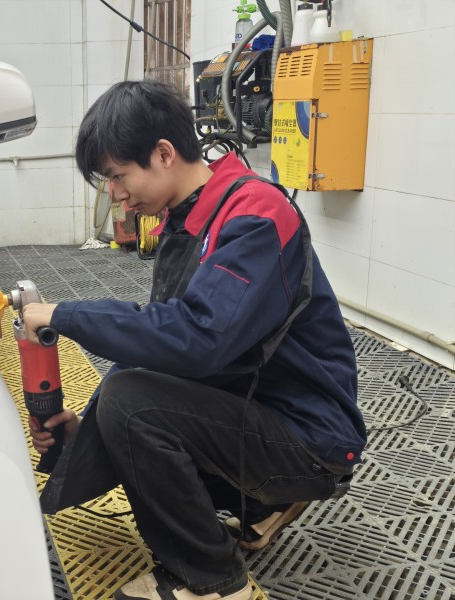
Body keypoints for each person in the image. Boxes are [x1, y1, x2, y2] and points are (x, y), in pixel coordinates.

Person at [20, 80, 366, 600]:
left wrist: (67, 314)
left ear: (163, 154)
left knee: (131, 406)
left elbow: (197, 338)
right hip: (258, 410)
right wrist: (83, 434)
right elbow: (156, 355)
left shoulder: (255, 214)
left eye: (118, 176)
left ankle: (214, 580)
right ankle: (263, 504)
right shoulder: (188, 222)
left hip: (310, 437)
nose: (115, 194)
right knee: (124, 403)